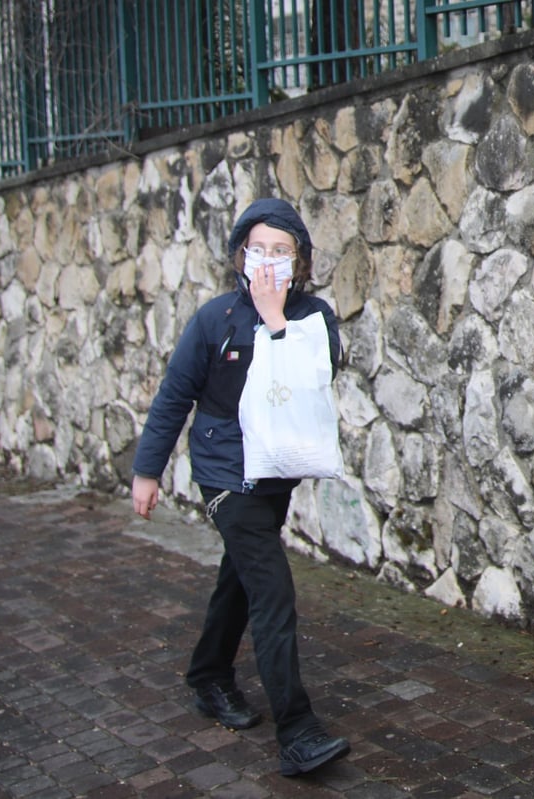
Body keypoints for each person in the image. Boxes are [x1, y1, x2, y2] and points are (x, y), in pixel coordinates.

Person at [130, 198, 350, 777]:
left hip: (278, 473)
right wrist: (147, 471)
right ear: (241, 256)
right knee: (272, 589)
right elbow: (175, 394)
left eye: (283, 251)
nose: (270, 260)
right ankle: (298, 732)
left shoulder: (313, 317)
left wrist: (277, 321)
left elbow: (317, 379)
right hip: (227, 475)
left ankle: (208, 675)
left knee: (241, 577)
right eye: (260, 250)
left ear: (299, 261)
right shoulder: (213, 319)